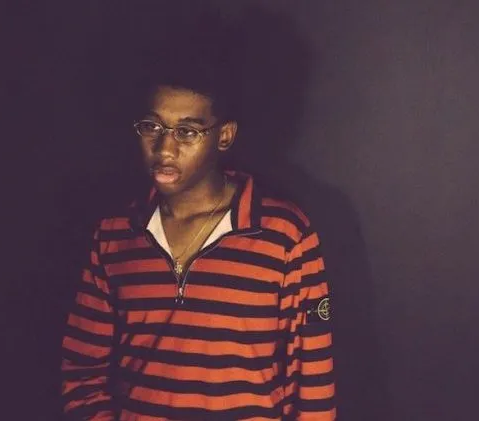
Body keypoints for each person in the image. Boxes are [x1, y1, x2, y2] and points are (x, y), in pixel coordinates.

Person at [60, 15, 335, 420]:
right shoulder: (114, 236)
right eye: (152, 126)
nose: (164, 148)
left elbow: (313, 388)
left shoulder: (285, 236)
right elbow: (82, 374)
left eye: (186, 132)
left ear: (224, 136)